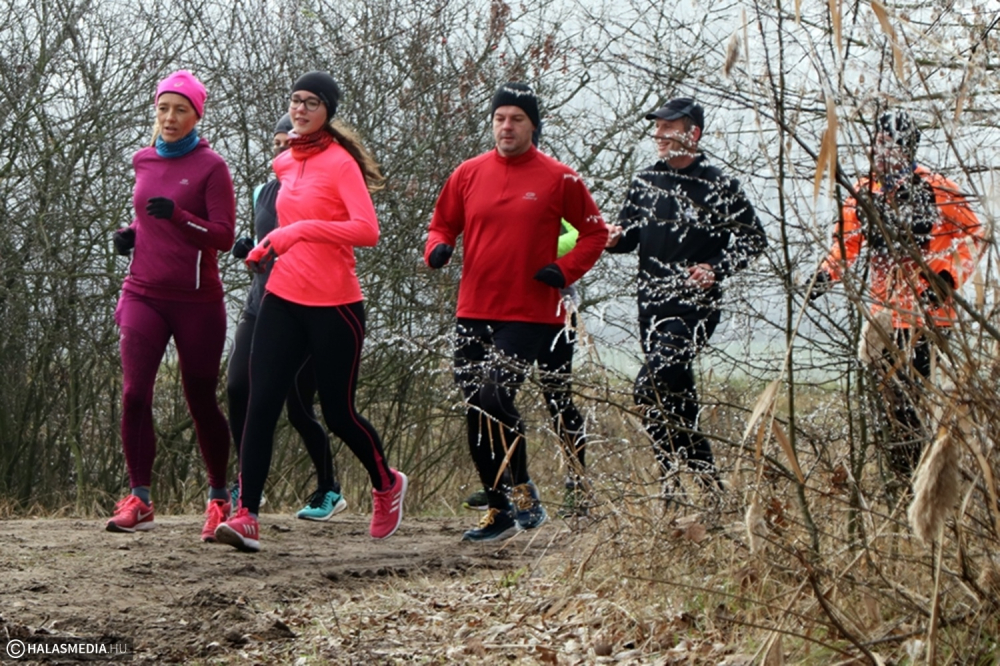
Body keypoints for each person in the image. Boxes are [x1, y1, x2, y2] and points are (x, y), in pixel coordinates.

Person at [215, 72, 406, 552]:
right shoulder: (283, 164)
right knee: (259, 404)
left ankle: (386, 484)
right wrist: (262, 248)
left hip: (335, 305)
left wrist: (296, 234)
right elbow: (279, 226)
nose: (300, 109)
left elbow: (367, 230)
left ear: (328, 111)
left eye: (312, 103)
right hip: (282, 297)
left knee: (339, 414)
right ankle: (246, 516)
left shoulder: (341, 164)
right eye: (296, 100)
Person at [426, 82, 607, 541]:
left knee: (494, 396)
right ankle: (499, 509)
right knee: (475, 407)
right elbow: (443, 221)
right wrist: (440, 246)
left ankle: (526, 493)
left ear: (533, 125)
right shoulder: (468, 173)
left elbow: (594, 233)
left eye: (517, 119)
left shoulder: (559, 178)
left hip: (530, 312)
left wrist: (563, 270)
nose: (507, 127)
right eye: (500, 118)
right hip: (474, 308)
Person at [606, 97, 766, 497]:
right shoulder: (645, 180)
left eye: (668, 127)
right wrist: (613, 238)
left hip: (695, 308)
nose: (658, 134)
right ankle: (700, 490)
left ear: (692, 133)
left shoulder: (718, 183)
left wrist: (715, 267)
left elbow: (754, 238)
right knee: (677, 401)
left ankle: (676, 488)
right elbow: (629, 236)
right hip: (651, 307)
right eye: (657, 127)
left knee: (649, 387)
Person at [811, 109, 982, 478]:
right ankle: (904, 480)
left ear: (906, 149)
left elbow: (975, 236)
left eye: (887, 143)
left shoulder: (939, 188)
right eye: (876, 141)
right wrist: (826, 274)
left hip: (929, 317)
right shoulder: (864, 191)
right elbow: (847, 243)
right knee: (891, 407)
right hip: (884, 318)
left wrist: (947, 276)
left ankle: (927, 480)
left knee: (914, 403)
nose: (879, 149)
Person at [107, 70, 236, 540]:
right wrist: (131, 234)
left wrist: (180, 217)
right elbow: (146, 218)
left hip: (197, 300)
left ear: (196, 114)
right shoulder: (143, 160)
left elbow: (222, 236)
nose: (170, 117)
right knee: (134, 393)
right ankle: (139, 498)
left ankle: (220, 498)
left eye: (181, 109)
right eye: (163, 108)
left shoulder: (212, 166)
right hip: (143, 291)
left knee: (200, 397)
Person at [227, 114, 346, 522]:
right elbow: (263, 243)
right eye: (276, 143)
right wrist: (248, 247)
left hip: (304, 307)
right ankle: (246, 483)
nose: (281, 150)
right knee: (238, 388)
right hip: (260, 303)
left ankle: (329, 487)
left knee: (298, 408)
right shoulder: (264, 190)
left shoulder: (317, 187)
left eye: (288, 142)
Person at [462, 218, 590, 518]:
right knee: (493, 397)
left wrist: (528, 247)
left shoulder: (555, 186)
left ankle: (577, 484)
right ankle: (503, 480)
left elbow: (581, 235)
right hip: (508, 312)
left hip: (556, 311)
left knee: (557, 397)